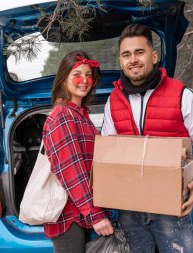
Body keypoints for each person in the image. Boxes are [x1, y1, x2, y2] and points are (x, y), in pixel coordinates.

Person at [101, 24, 193, 253]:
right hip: (129, 210)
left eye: (140, 52)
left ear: (154, 56)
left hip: (172, 209)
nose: (133, 60)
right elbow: (108, 153)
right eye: (126, 55)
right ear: (120, 61)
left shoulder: (182, 95)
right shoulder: (113, 101)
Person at [42, 50, 114, 253]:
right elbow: (71, 170)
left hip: (81, 214)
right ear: (64, 79)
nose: (84, 80)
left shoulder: (80, 115)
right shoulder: (63, 115)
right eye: (77, 74)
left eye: (89, 75)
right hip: (69, 217)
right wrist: (95, 214)